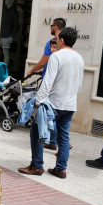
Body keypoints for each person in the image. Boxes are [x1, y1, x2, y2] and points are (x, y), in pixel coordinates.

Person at [18, 27, 84, 179]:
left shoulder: (57, 56)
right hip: (70, 104)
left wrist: (38, 102)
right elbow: (80, 85)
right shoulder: (79, 58)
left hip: (53, 103)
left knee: (37, 132)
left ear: (61, 40)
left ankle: (36, 165)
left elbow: (47, 82)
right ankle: (61, 169)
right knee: (64, 137)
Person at [27, 18, 67, 152]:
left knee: (46, 114)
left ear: (55, 27)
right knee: (56, 115)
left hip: (49, 82)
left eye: (51, 26)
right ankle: (54, 142)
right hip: (62, 84)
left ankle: (50, 142)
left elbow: (43, 62)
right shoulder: (67, 46)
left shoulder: (52, 43)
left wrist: (32, 70)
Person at [0, 0, 18, 65]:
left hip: (7, 36)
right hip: (1, 34)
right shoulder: (4, 10)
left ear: (10, 1)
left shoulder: (13, 12)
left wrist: (12, 36)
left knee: (5, 53)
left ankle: (5, 68)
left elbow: (16, 25)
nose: (5, 1)